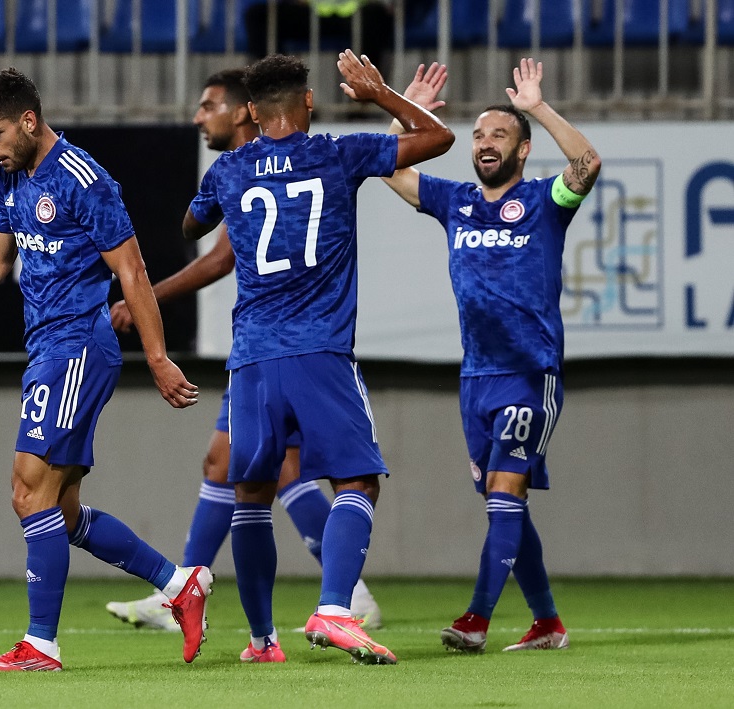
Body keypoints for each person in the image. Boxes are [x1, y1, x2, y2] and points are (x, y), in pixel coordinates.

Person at [0, 67, 212, 671]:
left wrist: (157, 358)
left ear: (28, 121)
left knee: (28, 489)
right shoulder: (12, 175)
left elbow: (132, 271)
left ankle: (41, 644)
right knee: (61, 511)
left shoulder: (83, 178)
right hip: (48, 348)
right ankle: (179, 584)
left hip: (77, 347)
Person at [183, 51, 454, 664]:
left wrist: (232, 191)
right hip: (320, 349)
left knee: (250, 494)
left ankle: (261, 641)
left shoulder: (227, 170)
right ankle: (334, 609)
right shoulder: (338, 153)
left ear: (251, 112)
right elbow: (438, 138)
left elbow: (191, 226)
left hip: (251, 358)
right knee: (356, 480)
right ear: (308, 101)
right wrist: (381, 94)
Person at [104, 68, 384, 638]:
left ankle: (340, 598)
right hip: (279, 346)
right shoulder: (264, 165)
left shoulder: (243, 168)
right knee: (227, 464)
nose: (198, 117)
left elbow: (216, 257)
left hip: (273, 346)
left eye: (208, 106)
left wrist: (146, 297)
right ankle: (189, 591)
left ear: (244, 112)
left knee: (271, 473)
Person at [383, 58, 601, 653]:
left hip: (531, 372)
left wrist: (537, 108)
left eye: (499, 134)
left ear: (523, 150)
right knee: (506, 502)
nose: (485, 142)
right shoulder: (454, 201)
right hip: (476, 377)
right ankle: (548, 623)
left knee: (505, 493)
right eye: (479, 134)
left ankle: (476, 620)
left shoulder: (545, 201)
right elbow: (386, 167)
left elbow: (587, 163)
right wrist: (406, 110)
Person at [245, 1, 394, 74]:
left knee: (376, 17)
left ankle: (364, 98)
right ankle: (278, 90)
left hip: (358, 13)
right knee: (259, 16)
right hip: (310, 11)